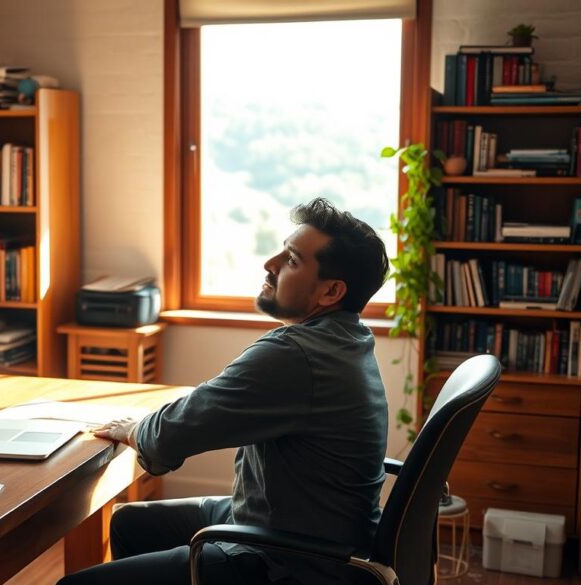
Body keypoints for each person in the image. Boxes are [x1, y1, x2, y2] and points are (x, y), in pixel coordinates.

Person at [60, 198, 390, 585]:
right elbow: (201, 409)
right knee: (131, 522)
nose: (271, 263)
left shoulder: (296, 354)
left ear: (331, 292)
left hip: (292, 562)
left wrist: (133, 428)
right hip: (307, 530)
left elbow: (169, 436)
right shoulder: (347, 339)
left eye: (293, 260)